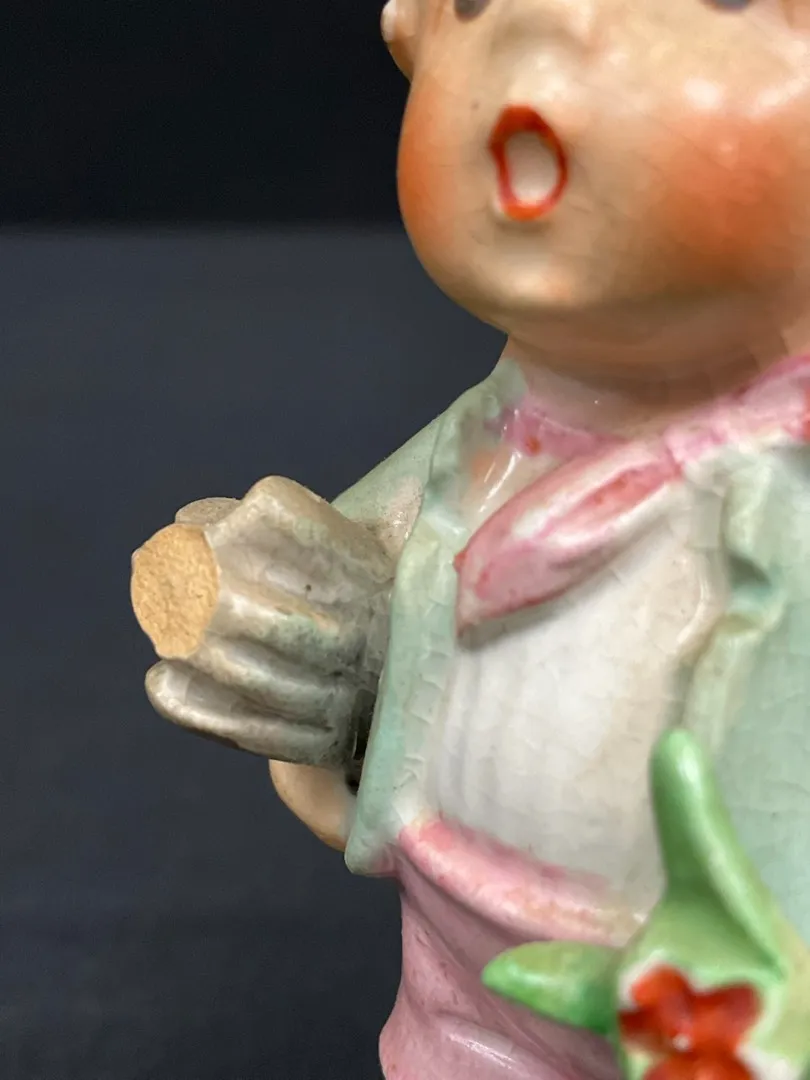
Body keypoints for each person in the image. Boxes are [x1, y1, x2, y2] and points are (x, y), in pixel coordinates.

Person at [140, 1, 810, 1076]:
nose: (549, 38)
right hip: (459, 974)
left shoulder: (783, 485)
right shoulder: (473, 451)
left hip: (711, 1016)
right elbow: (361, 613)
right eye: (476, 5)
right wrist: (305, 638)